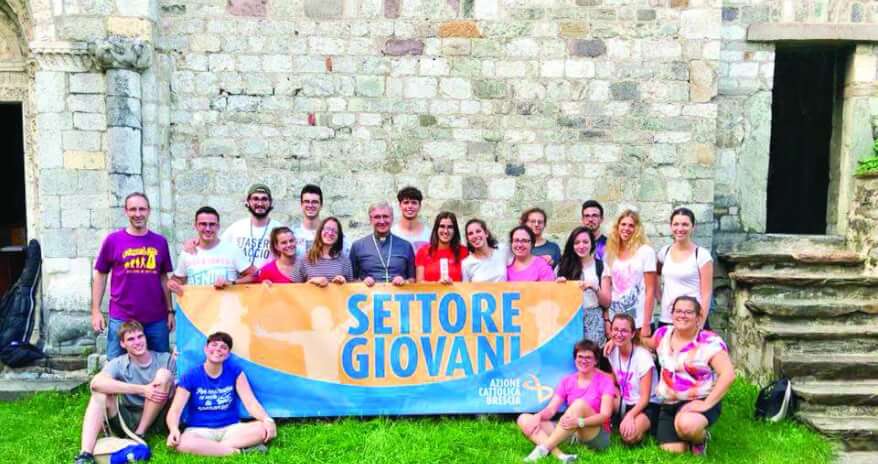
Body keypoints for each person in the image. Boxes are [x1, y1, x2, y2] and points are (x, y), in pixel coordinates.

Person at [74, 321, 174, 464]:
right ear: (122, 344)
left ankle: (140, 434)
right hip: (127, 418)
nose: (137, 342)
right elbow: (95, 384)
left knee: (164, 375)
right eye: (131, 339)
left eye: (140, 336)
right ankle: (85, 454)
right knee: (99, 394)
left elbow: (180, 389)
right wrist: (143, 389)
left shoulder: (165, 359)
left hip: (159, 418)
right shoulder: (118, 363)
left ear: (146, 337)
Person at [166, 332, 276, 456]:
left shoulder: (235, 372)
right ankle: (239, 452)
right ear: (205, 349)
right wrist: (173, 429)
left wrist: (267, 420)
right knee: (183, 443)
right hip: (199, 430)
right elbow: (175, 409)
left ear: (228, 354)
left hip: (231, 428)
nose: (218, 349)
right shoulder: (191, 375)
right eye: (214, 345)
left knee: (261, 428)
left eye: (223, 347)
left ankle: (211, 449)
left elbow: (250, 402)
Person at [648, 296, 734, 455]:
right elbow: (646, 343)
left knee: (687, 425)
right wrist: (620, 341)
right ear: (672, 314)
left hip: (699, 399)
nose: (682, 315)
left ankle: (700, 439)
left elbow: (728, 375)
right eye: (678, 311)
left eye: (688, 312)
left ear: (698, 317)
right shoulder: (663, 334)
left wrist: (705, 404)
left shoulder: (709, 341)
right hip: (669, 402)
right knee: (673, 451)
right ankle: (684, 434)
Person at [92, 192, 174, 360]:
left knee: (162, 364)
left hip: (156, 318)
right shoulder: (113, 240)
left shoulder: (160, 242)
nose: (138, 214)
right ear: (126, 211)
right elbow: (101, 275)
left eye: (142, 209)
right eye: (133, 209)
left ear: (149, 211)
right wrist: (96, 311)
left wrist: (170, 311)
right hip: (121, 317)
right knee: (115, 366)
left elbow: (163, 278)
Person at [516, 340, 615, 462]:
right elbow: (551, 409)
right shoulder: (567, 381)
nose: (584, 360)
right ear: (575, 359)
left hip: (595, 434)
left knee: (579, 404)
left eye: (588, 357)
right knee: (524, 419)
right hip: (572, 430)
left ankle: (543, 449)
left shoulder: (605, 381)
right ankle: (561, 456)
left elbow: (605, 416)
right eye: (580, 357)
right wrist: (538, 416)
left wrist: (580, 422)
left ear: (596, 361)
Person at [168, 207, 256, 295]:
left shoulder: (232, 250)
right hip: (196, 304)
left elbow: (255, 276)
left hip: (226, 303)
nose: (208, 229)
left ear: (218, 226)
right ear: (196, 226)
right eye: (203, 224)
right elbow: (178, 279)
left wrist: (232, 283)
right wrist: (172, 283)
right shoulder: (188, 252)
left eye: (212, 224)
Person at [601, 208, 657, 338]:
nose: (626, 228)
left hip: (639, 321)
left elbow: (650, 290)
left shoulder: (646, 252)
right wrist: (607, 319)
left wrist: (646, 323)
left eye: (631, 225)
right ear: (617, 227)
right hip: (617, 321)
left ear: (637, 229)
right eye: (623, 224)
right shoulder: (610, 253)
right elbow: (607, 290)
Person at [606, 314, 660, 445]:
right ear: (611, 331)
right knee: (601, 398)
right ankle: (610, 423)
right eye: (616, 329)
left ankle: (646, 425)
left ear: (633, 334)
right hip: (625, 400)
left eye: (624, 331)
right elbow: (615, 381)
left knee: (628, 436)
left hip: (646, 404)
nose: (619, 334)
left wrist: (630, 415)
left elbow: (645, 398)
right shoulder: (612, 351)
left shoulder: (643, 357)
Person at [657, 207, 713, 329]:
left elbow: (706, 293)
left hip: (692, 320)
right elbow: (654, 274)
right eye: (676, 224)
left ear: (693, 227)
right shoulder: (664, 252)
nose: (680, 228)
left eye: (685, 224)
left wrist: (700, 323)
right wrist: (660, 297)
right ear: (671, 226)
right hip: (668, 318)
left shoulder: (701, 255)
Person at [556, 227, 610, 344]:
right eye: (577, 242)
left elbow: (606, 302)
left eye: (585, 242)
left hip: (593, 319)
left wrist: (595, 288)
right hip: (569, 319)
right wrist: (559, 287)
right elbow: (553, 300)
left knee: (592, 353)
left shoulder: (601, 266)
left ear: (592, 244)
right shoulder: (562, 266)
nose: (581, 246)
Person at [349, 201, 415, 286]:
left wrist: (404, 281)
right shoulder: (357, 246)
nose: (382, 221)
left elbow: (413, 279)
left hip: (398, 293)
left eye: (385, 216)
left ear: (392, 218)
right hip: (369, 294)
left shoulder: (406, 246)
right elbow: (351, 279)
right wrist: (362, 283)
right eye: (377, 217)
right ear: (370, 219)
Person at [219, 184, 284, 269]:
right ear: (248, 201)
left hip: (269, 277)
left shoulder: (279, 229)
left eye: (264, 199)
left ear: (270, 202)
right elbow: (218, 249)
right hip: (240, 277)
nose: (260, 203)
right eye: (255, 199)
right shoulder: (236, 228)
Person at [292, 216, 354, 285]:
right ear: (320, 231)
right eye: (327, 229)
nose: (330, 233)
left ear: (338, 237)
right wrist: (311, 282)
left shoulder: (345, 261)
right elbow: (293, 288)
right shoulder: (303, 259)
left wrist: (344, 283)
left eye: (335, 231)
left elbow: (351, 289)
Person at [415, 212, 469, 283]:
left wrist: (453, 284)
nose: (446, 231)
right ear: (436, 229)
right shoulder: (423, 251)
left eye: (450, 227)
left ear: (455, 230)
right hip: (432, 290)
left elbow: (468, 282)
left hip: (456, 290)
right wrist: (437, 285)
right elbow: (419, 283)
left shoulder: (464, 251)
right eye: (442, 226)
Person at [461, 218, 508, 282]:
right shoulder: (466, 264)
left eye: (478, 231)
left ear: (486, 233)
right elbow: (465, 287)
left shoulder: (502, 250)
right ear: (468, 239)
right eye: (470, 233)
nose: (475, 236)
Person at [391, 186, 432, 253]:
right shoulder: (392, 233)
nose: (410, 206)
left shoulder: (429, 234)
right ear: (400, 205)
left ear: (420, 206)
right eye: (406, 202)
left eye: (414, 203)